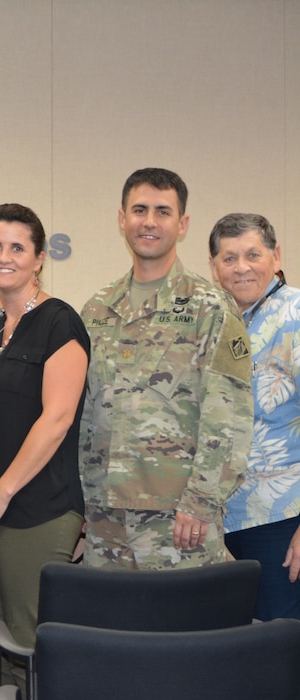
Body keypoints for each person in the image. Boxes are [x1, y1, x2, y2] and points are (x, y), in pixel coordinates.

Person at [0, 204, 88, 699]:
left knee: (26, 649)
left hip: (36, 509)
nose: (4, 257)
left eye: (17, 248)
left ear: (39, 258)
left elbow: (57, 419)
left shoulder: (59, 322)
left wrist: (1, 493)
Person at [80, 167, 253, 569]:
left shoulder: (210, 306)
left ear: (182, 224)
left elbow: (229, 415)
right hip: (104, 518)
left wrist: (201, 502)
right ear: (122, 219)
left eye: (163, 211)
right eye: (139, 210)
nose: (150, 222)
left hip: (179, 518)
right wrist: (81, 506)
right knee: (108, 630)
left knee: (183, 630)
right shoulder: (97, 309)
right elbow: (84, 411)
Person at [209, 213, 300, 619]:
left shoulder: (296, 316)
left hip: (283, 517)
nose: (241, 267)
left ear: (276, 256)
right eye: (229, 258)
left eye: (252, 254)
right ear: (214, 267)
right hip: (220, 521)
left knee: (279, 648)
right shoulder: (215, 322)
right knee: (234, 648)